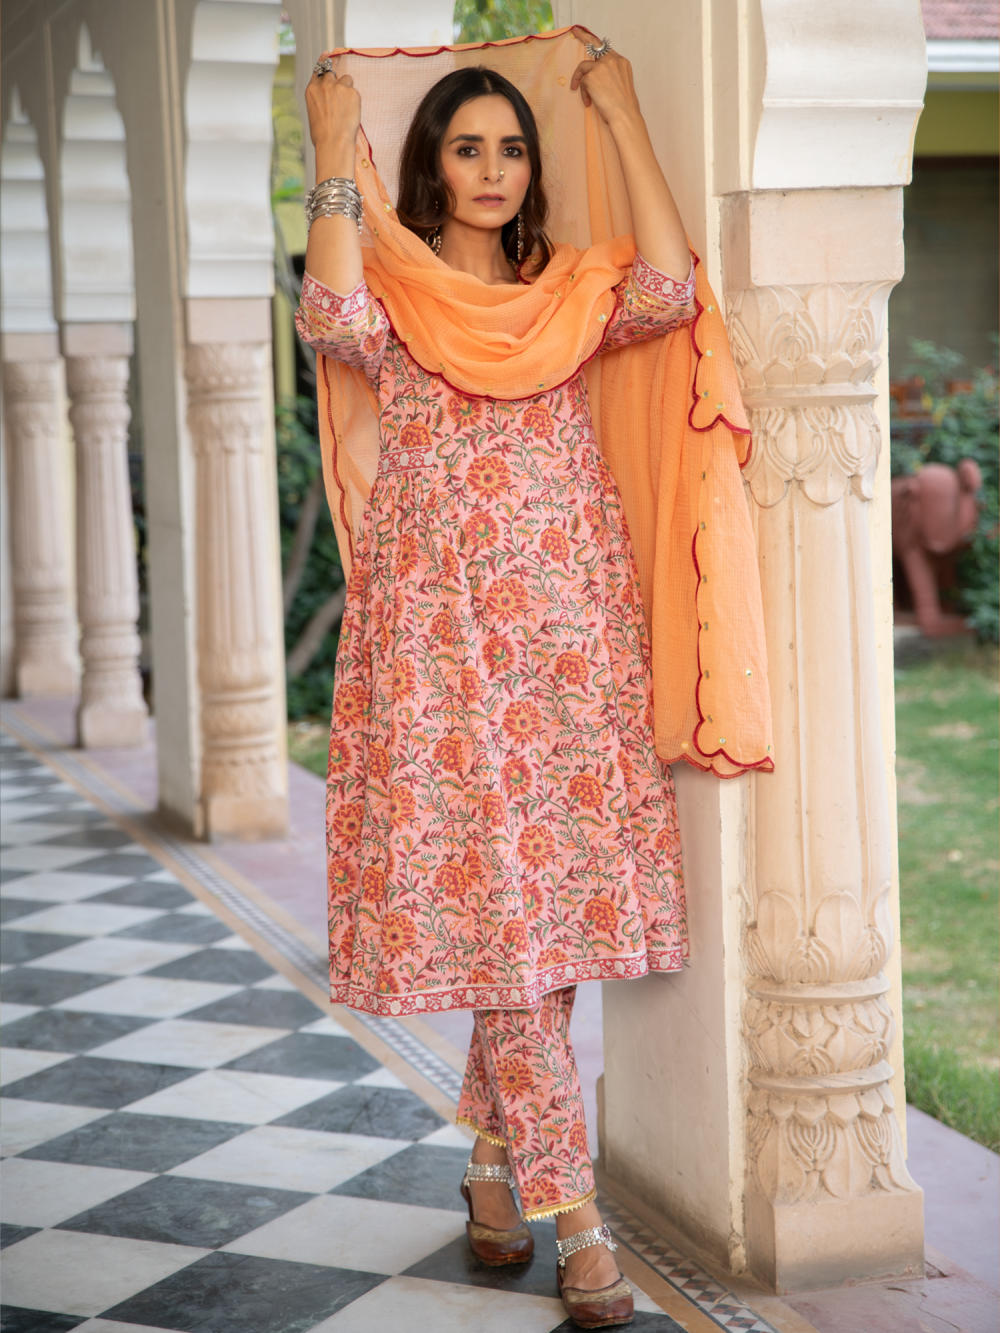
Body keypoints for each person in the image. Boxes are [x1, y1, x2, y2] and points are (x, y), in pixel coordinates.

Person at [296, 26, 770, 1331]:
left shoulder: (566, 292)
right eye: (468, 149)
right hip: (440, 639)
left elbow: (669, 286)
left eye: (511, 148)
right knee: (504, 909)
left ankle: (495, 1166)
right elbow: (326, 314)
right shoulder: (395, 290)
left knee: (536, 909)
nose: (494, 169)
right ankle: (580, 1220)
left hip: (568, 631)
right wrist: (332, 153)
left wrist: (620, 110)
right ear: (432, 169)